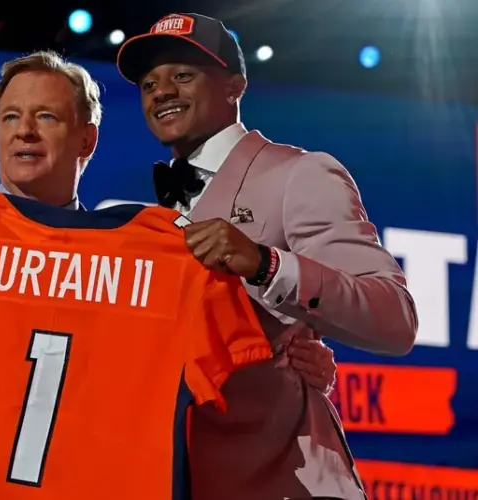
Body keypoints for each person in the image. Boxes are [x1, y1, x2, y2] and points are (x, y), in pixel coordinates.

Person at [0, 50, 338, 499]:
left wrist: (292, 364)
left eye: (45, 116)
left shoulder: (158, 255)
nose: (23, 131)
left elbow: (226, 389)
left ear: (87, 140)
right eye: (10, 117)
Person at [113, 12, 419, 500]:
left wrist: (266, 264)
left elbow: (394, 319)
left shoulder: (300, 173)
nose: (162, 91)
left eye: (183, 75)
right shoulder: (152, 215)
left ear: (235, 86)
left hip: (287, 481)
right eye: (150, 82)